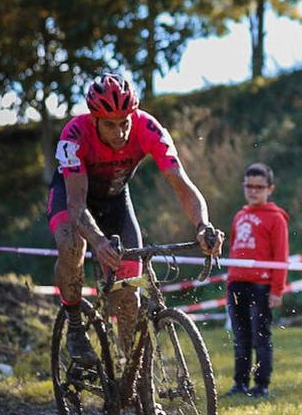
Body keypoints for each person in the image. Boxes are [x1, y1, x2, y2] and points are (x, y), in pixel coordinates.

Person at [48, 73, 221, 363]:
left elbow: (182, 185)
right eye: (110, 125)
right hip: (72, 196)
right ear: (94, 120)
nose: (119, 133)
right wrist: (98, 241)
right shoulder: (74, 134)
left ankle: (135, 378)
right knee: (71, 245)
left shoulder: (149, 128)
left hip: (115, 200)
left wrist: (203, 226)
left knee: (130, 295)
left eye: (124, 123)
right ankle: (75, 323)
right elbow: (76, 205)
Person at [224, 162, 290, 398]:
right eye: (249, 186)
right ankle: (239, 383)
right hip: (236, 283)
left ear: (269, 189)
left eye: (259, 187)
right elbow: (233, 248)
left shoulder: (276, 218)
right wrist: (230, 280)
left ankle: (261, 384)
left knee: (260, 335)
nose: (253, 191)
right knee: (240, 336)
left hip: (261, 285)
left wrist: (276, 289)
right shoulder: (240, 216)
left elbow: (281, 256)